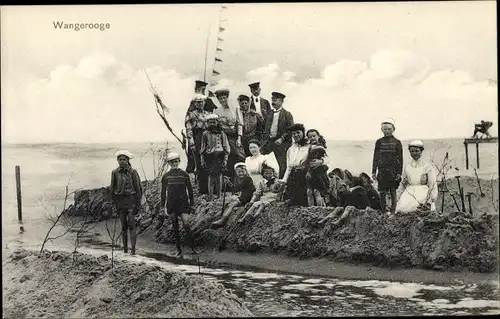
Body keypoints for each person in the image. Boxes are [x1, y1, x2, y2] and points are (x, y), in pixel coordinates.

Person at [160, 152, 198, 258]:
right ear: (169, 163)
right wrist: (163, 207)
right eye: (172, 162)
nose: (174, 164)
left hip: (183, 203)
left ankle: (193, 247)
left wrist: (192, 204)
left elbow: (190, 191)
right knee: (175, 225)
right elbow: (163, 193)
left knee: (186, 224)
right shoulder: (166, 176)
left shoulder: (184, 174)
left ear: (179, 162)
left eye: (176, 161)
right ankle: (178, 250)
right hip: (172, 204)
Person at [109, 150, 142, 255]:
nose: (122, 161)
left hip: (131, 200)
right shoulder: (114, 172)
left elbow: (138, 189)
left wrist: (138, 203)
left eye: (124, 159)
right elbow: (112, 189)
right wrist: (114, 203)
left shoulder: (133, 172)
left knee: (132, 225)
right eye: (120, 159)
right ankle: (125, 250)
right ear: (117, 160)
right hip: (120, 201)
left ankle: (133, 250)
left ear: (128, 160)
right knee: (123, 226)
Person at [396, 140, 438, 213]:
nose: (414, 153)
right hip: (409, 192)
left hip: (423, 192)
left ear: (421, 151)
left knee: (417, 209)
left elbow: (432, 184)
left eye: (416, 151)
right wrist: (397, 197)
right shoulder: (408, 166)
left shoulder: (427, 166)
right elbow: (403, 184)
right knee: (402, 209)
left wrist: (432, 200)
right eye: (412, 151)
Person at [371, 118, 403, 214]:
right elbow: (375, 157)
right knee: (382, 192)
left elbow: (400, 159)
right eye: (385, 129)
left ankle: (393, 211)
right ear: (382, 130)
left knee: (393, 191)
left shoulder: (397, 142)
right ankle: (384, 211)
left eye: (389, 129)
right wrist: (373, 171)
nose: (387, 131)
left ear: (393, 129)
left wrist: (399, 173)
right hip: (382, 171)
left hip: (393, 171)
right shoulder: (379, 142)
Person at [213, 88, 246, 179]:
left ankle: (240, 179)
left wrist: (239, 138)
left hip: (235, 136)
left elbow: (240, 123)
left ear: (227, 97)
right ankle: (229, 182)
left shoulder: (236, 108)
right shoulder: (216, 111)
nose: (223, 100)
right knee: (228, 157)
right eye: (220, 99)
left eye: (224, 98)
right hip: (224, 137)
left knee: (240, 156)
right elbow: (217, 127)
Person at [211, 163, 255, 228]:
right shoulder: (243, 179)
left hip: (246, 199)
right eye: (239, 172)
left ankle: (222, 220)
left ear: (246, 171)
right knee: (229, 203)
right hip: (244, 197)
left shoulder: (247, 179)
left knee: (232, 204)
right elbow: (236, 188)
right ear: (236, 172)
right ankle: (222, 217)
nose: (241, 173)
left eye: (242, 171)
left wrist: (228, 182)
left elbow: (236, 188)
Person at [261, 91, 294, 179]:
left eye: (276, 100)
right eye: (272, 99)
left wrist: (282, 139)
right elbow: (264, 127)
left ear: (281, 102)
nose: (273, 102)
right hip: (269, 142)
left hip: (281, 144)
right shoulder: (269, 113)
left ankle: (281, 184)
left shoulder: (287, 114)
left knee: (282, 165)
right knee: (259, 159)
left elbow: (290, 130)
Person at [281, 123, 315, 207]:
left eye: (298, 132)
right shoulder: (290, 149)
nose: (296, 135)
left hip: (305, 175)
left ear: (303, 133)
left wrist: (320, 161)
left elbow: (324, 158)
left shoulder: (310, 146)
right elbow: (289, 167)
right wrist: (284, 180)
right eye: (293, 134)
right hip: (293, 176)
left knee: (303, 201)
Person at [200, 114, 231, 201]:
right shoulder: (205, 134)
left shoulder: (222, 133)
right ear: (207, 123)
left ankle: (219, 196)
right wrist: (202, 160)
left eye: (214, 122)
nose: (212, 124)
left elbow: (226, 147)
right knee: (211, 177)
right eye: (210, 122)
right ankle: (210, 197)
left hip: (220, 156)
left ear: (217, 122)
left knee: (219, 177)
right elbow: (202, 148)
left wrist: (225, 159)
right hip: (209, 157)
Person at [185, 93, 211, 194]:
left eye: (202, 102)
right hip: (198, 138)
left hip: (208, 138)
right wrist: (191, 142)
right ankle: (202, 189)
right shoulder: (191, 114)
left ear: (204, 103)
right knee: (200, 163)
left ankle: (211, 188)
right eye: (198, 102)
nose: (200, 104)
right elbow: (189, 129)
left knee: (209, 162)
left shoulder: (208, 114)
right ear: (195, 103)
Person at [305, 129, 330, 206]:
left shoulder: (319, 148)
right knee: (309, 192)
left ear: (318, 136)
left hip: (317, 172)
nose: (312, 138)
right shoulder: (310, 147)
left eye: (314, 136)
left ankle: (319, 208)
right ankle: (311, 208)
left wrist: (309, 171)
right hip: (312, 172)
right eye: (310, 137)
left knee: (317, 191)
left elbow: (313, 162)